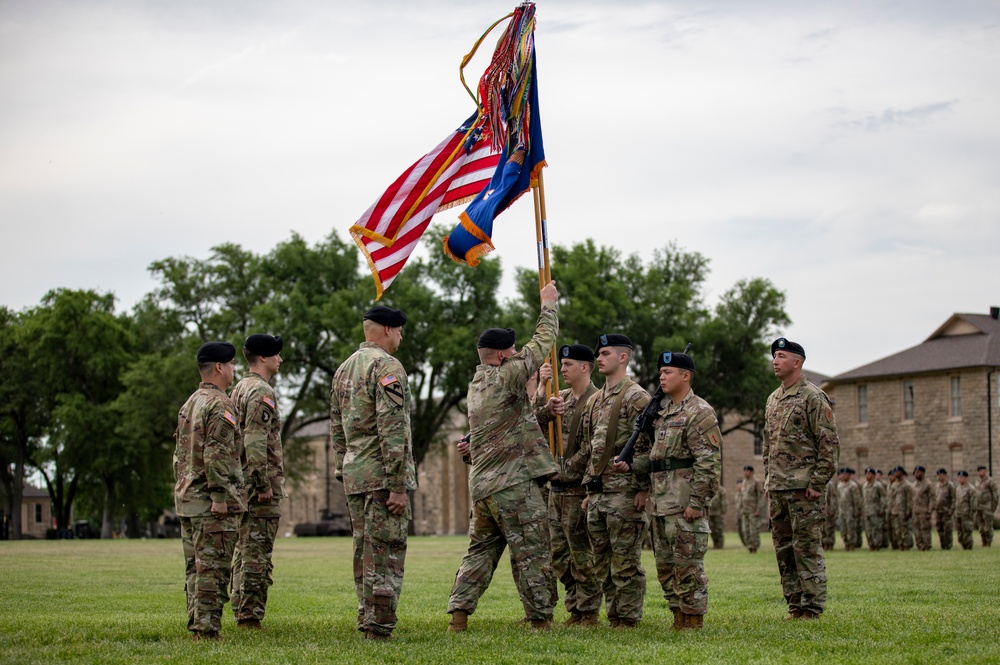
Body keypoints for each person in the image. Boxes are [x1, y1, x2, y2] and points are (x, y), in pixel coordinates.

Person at [447, 281, 560, 632]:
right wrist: (549, 305)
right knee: (533, 551)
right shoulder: (506, 375)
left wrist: (543, 412)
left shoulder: (478, 383)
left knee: (481, 551)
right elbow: (541, 344)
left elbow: (513, 424)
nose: (515, 355)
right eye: (511, 351)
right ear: (501, 356)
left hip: (484, 488)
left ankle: (459, 616)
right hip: (513, 485)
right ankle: (540, 619)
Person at [330, 305, 417, 641]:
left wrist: (344, 470)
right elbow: (392, 429)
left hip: (356, 475)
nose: (400, 336)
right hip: (382, 477)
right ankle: (379, 625)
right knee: (384, 550)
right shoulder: (387, 366)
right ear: (384, 330)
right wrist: (397, 485)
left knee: (363, 551)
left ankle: (367, 616)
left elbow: (337, 431)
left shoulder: (344, 370)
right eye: (398, 330)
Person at [621, 350, 721, 630]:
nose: (662, 377)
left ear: (686, 376)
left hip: (684, 501)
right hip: (661, 503)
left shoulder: (699, 412)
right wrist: (630, 465)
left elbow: (708, 462)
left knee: (688, 566)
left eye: (668, 372)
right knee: (666, 568)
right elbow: (657, 459)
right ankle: (678, 616)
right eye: (661, 372)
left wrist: (697, 502)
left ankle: (693, 619)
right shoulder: (661, 414)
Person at [563, 333, 651, 629]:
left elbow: (649, 447)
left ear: (623, 358)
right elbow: (591, 449)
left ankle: (627, 617)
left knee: (625, 562)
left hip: (625, 493)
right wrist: (590, 489)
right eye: (598, 354)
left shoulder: (637, 396)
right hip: (599, 493)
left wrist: (643, 488)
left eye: (606, 354)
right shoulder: (595, 400)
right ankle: (613, 614)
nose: (599, 358)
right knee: (602, 561)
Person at [174, 341, 246, 641]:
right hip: (209, 503)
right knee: (213, 570)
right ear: (219, 367)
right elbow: (217, 453)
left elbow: (179, 454)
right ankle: (206, 629)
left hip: (188, 500)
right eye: (231, 364)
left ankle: (197, 622)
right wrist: (219, 496)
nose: (233, 369)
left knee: (195, 568)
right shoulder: (220, 404)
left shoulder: (190, 402)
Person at [763, 338, 839, 620]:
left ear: (797, 362)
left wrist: (817, 484)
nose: (775, 360)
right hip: (779, 488)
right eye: (774, 356)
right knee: (784, 550)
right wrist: (768, 481)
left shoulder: (813, 397)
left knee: (806, 547)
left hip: (804, 490)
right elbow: (768, 446)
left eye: (781, 356)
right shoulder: (773, 399)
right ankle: (795, 605)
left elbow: (829, 445)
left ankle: (812, 607)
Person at [538, 344, 602, 626]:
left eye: (567, 365)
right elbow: (534, 425)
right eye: (561, 365)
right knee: (559, 555)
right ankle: (574, 606)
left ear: (585, 367)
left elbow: (594, 446)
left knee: (582, 554)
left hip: (578, 488)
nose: (561, 370)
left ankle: (588, 611)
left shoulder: (597, 400)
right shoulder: (558, 397)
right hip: (556, 490)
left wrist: (565, 468)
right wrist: (542, 391)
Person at [229, 333, 286, 629]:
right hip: (257, 487)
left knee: (244, 549)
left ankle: (242, 606)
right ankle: (249, 615)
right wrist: (263, 485)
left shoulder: (238, 388)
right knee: (256, 553)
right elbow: (255, 441)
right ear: (262, 358)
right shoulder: (261, 392)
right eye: (276, 354)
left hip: (240, 483)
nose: (280, 359)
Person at [837, 468, 863, 551]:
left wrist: (857, 511)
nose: (843, 475)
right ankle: (846, 543)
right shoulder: (839, 485)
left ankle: (852, 545)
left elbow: (857, 500)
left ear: (849, 475)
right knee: (843, 529)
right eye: (843, 474)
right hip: (842, 511)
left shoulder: (853, 485)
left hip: (850, 511)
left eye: (845, 474)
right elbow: (838, 498)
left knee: (851, 528)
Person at [889, 467, 914, 551]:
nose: (895, 473)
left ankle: (907, 545)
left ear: (902, 473)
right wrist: (892, 509)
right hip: (895, 511)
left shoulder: (907, 485)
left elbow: (910, 499)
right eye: (895, 472)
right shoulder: (894, 485)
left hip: (904, 511)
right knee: (897, 530)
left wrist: (909, 511)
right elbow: (892, 499)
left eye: (897, 472)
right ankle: (900, 545)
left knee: (905, 529)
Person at [739, 465, 763, 553]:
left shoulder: (756, 482)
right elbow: (742, 497)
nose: (746, 472)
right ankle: (749, 545)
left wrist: (758, 509)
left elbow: (761, 497)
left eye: (747, 471)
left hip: (753, 510)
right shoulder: (744, 482)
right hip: (745, 510)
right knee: (745, 529)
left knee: (754, 529)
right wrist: (741, 509)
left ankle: (754, 546)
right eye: (744, 471)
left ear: (752, 472)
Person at [862, 467, 886, 551]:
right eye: (866, 474)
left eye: (869, 474)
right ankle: (871, 545)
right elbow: (864, 499)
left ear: (873, 475)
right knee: (868, 530)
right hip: (867, 511)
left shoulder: (878, 485)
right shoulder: (864, 485)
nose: (867, 475)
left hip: (876, 511)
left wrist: (882, 509)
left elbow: (883, 498)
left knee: (876, 529)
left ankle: (877, 545)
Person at [974, 465, 999, 547]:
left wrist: (993, 507)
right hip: (979, 507)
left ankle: (988, 542)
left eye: (981, 471)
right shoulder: (977, 481)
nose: (979, 472)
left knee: (988, 526)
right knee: (981, 526)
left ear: (985, 471)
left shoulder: (990, 481)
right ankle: (983, 541)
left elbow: (995, 495)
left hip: (987, 507)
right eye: (978, 471)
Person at [911, 465, 933, 552]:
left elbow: (932, 498)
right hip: (915, 511)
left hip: (924, 511)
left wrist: (929, 511)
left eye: (918, 472)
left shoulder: (928, 484)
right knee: (916, 529)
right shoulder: (914, 484)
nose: (916, 474)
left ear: (923, 473)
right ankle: (920, 546)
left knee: (925, 529)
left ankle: (927, 546)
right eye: (915, 472)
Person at [933, 468, 956, 550]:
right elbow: (935, 497)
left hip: (947, 511)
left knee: (947, 530)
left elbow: (953, 499)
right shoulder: (937, 486)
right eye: (938, 475)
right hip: (938, 511)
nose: (939, 477)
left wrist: (951, 510)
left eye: (941, 475)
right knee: (939, 529)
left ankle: (948, 545)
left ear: (945, 475)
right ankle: (943, 544)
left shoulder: (950, 486)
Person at [954, 471, 976, 550]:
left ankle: (968, 547)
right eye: (959, 477)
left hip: (967, 513)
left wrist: (971, 513)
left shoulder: (971, 488)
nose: (960, 479)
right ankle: (964, 545)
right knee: (960, 532)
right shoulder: (958, 488)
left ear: (966, 478)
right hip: (958, 513)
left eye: (962, 477)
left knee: (967, 531)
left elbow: (973, 503)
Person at [708, 483, 728, 550]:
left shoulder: (721, 490)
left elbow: (724, 502)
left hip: (718, 513)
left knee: (718, 529)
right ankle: (715, 544)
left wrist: (723, 512)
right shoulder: (709, 488)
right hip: (710, 513)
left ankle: (720, 545)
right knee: (712, 529)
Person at [822, 475, 839, 550]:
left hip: (828, 511)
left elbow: (833, 499)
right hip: (821, 511)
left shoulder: (830, 484)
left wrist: (832, 510)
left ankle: (829, 544)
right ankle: (823, 544)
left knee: (829, 529)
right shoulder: (820, 484)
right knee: (823, 529)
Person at [735, 479, 746, 546]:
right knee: (739, 530)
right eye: (737, 484)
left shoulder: (744, 493)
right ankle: (745, 543)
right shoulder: (737, 494)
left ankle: (748, 543)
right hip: (738, 515)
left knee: (744, 529)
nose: (738, 486)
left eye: (740, 484)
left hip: (744, 514)